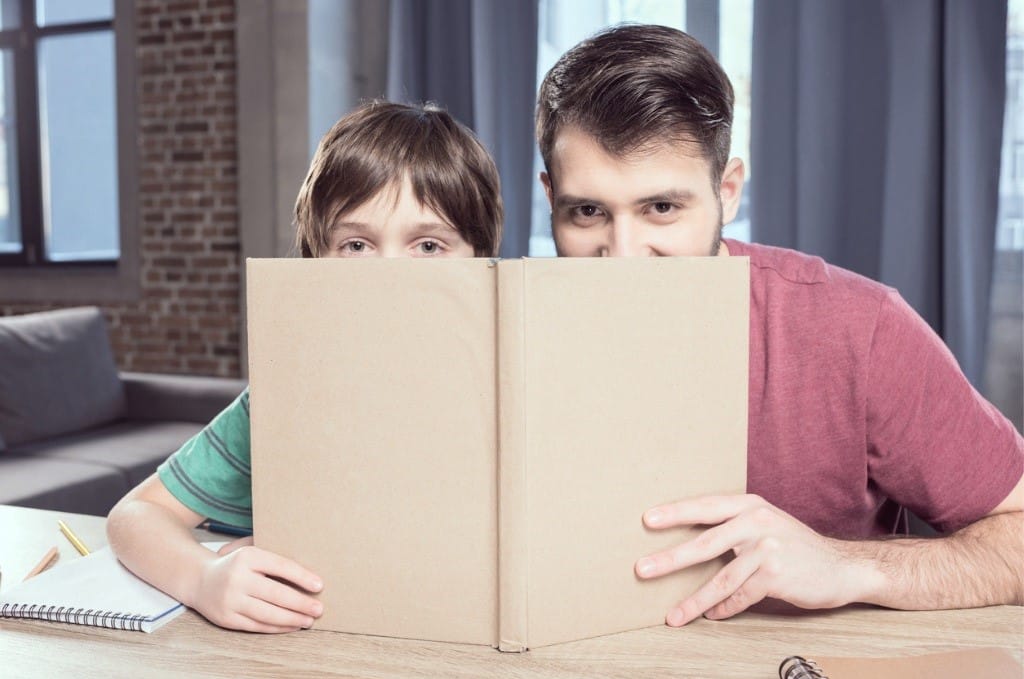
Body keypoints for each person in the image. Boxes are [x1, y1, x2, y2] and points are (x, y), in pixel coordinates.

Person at [535, 24, 1023, 626]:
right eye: (587, 212)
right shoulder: (510, 334)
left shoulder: (859, 329)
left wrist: (850, 566)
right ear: (550, 198)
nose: (625, 256)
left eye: (662, 208)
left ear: (728, 191)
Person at [107, 100, 503, 633]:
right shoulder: (282, 402)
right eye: (357, 244)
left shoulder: (506, 392)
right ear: (317, 258)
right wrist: (204, 578)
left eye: (428, 245)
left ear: (483, 260)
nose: (387, 277)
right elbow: (134, 517)